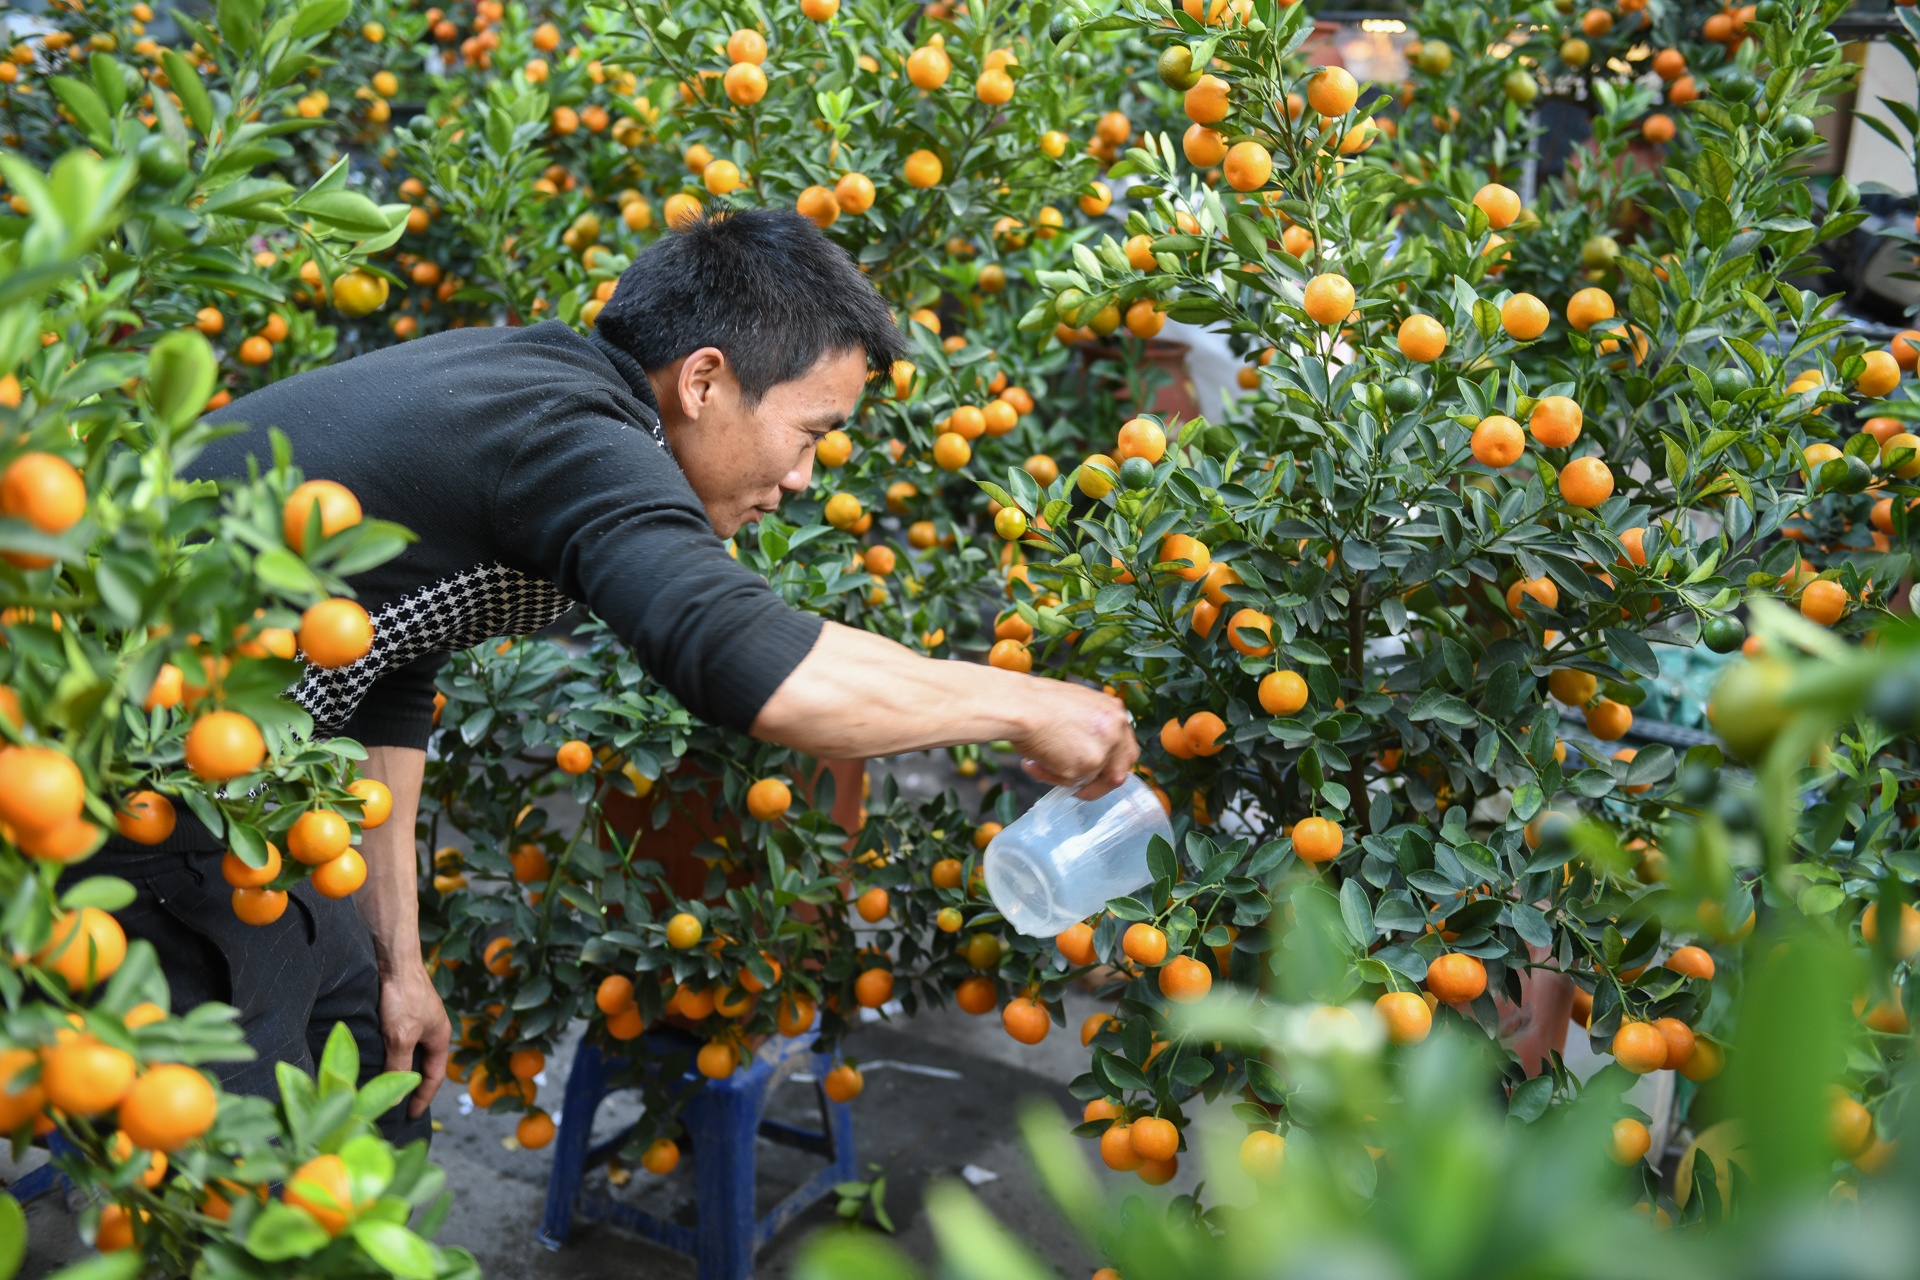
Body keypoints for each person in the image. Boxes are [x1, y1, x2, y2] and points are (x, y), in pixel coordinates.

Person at [92, 209, 1137, 1143]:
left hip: (235, 794)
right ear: (704, 381)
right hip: (128, 785)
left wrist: (399, 960)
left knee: (370, 1069)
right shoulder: (571, 436)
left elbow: (393, 668)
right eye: (809, 433)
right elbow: (742, 662)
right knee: (245, 1174)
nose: (802, 477)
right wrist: (1026, 705)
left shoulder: (540, 388)